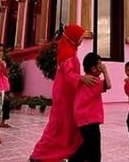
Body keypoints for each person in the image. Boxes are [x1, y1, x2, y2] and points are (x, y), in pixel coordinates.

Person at [30, 24, 96, 161]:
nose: (81, 40)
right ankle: (39, 155)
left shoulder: (68, 50)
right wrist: (83, 78)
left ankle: (68, 154)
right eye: (80, 37)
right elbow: (70, 75)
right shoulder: (68, 54)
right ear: (73, 38)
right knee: (58, 128)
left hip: (66, 94)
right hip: (65, 97)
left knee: (65, 126)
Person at [70, 53, 111, 162]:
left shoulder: (82, 81)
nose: (101, 67)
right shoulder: (94, 81)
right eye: (100, 65)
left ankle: (73, 159)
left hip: (82, 119)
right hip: (91, 121)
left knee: (87, 145)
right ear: (93, 69)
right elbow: (108, 85)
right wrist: (105, 71)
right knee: (94, 149)